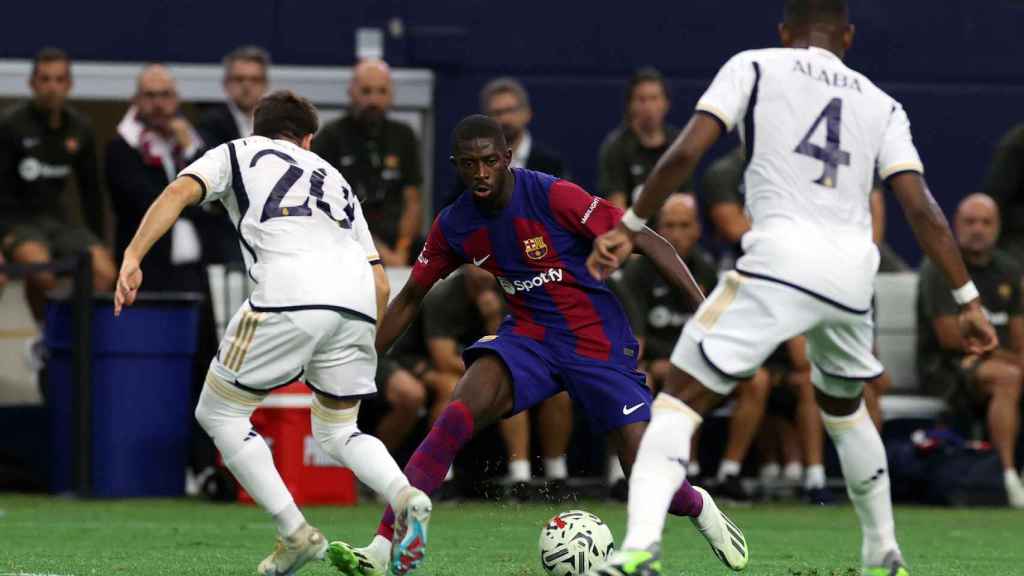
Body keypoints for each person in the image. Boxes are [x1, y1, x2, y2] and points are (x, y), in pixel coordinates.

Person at [586, 1, 998, 574]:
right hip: (854, 277)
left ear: (784, 32)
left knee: (678, 399)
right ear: (848, 37)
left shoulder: (755, 65)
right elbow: (921, 208)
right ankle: (884, 553)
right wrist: (968, 299)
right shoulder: (882, 104)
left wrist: (630, 226)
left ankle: (639, 552)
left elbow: (685, 152)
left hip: (779, 260)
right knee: (845, 407)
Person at [327, 115, 748, 576]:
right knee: (455, 413)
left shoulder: (553, 195)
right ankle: (384, 544)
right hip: (529, 338)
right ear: (457, 167)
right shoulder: (455, 225)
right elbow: (409, 299)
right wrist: (359, 363)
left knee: (643, 467)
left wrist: (707, 316)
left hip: (596, 342)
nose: (481, 173)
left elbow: (651, 242)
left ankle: (698, 505)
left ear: (508, 158)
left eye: (490, 161)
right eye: (470, 164)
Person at [112, 90, 432, 576]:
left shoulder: (238, 151)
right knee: (340, 429)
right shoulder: (336, 178)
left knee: (218, 413)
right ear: (308, 138)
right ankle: (404, 493)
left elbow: (179, 191)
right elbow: (382, 279)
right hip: (357, 302)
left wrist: (133, 256)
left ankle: (294, 532)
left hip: (287, 293)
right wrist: (362, 341)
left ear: (256, 128)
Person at [615, 193, 769, 501]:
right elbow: (636, 340)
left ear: (697, 229)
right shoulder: (637, 271)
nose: (676, 233)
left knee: (758, 379)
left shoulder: (708, 268)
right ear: (657, 229)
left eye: (684, 225)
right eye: (669, 226)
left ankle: (730, 472)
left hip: (700, 356)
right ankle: (650, 470)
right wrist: (664, 359)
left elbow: (721, 329)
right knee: (660, 374)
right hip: (654, 359)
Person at [701, 147, 833, 501]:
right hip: (742, 346)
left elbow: (801, 357)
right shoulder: (733, 273)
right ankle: (711, 473)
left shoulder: (802, 273)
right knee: (753, 377)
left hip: (783, 351)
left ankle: (815, 478)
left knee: (805, 377)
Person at [918, 193, 1024, 508]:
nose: (978, 229)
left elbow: (1020, 335)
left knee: (1010, 374)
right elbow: (951, 338)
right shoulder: (940, 266)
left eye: (986, 222)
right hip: (945, 367)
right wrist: (1010, 358)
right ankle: (1007, 478)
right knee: (1007, 377)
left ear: (998, 227)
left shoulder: (1009, 268)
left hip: (1000, 361)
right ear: (954, 225)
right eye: (970, 221)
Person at [0, 47, 115, 325]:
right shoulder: (10, 125)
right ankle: (46, 334)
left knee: (105, 272)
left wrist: (100, 241)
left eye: (59, 80)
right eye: (45, 79)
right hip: (15, 222)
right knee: (42, 270)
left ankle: (72, 339)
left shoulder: (80, 128)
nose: (52, 87)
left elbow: (91, 193)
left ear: (69, 85)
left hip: (58, 224)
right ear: (32, 84)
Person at [313, 59, 423, 267]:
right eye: (366, 91)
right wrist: (377, 251)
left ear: (391, 95)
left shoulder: (404, 135)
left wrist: (401, 249)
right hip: (346, 238)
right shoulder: (331, 136)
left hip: (396, 242)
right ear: (351, 92)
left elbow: (413, 201)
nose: (374, 100)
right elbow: (325, 205)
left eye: (381, 91)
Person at [196, 46, 271, 266]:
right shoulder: (210, 123)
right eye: (239, 79)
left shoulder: (277, 123)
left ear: (265, 85)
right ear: (226, 85)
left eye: (254, 79)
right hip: (226, 229)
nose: (247, 86)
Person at [597, 67, 686, 209]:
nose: (648, 106)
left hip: (669, 228)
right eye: (641, 99)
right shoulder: (616, 147)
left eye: (654, 98)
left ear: (666, 103)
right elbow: (616, 207)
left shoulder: (680, 142)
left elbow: (687, 202)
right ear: (630, 105)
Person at [480, 77, 567, 177]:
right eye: (497, 113)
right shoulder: (476, 166)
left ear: (527, 113)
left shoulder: (551, 164)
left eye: (510, 110)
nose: (504, 119)